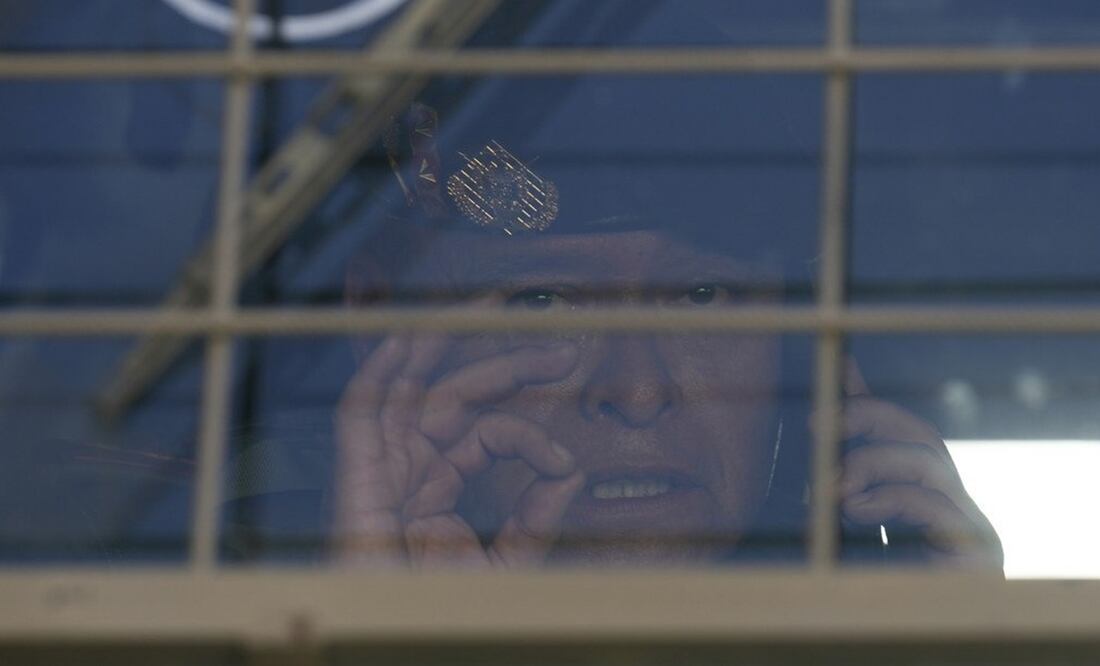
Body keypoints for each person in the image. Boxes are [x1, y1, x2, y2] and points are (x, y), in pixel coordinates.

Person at [329, 89, 1002, 570]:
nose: (638, 390)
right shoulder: (231, 595)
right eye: (540, 301)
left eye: (703, 296)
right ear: (378, 312)